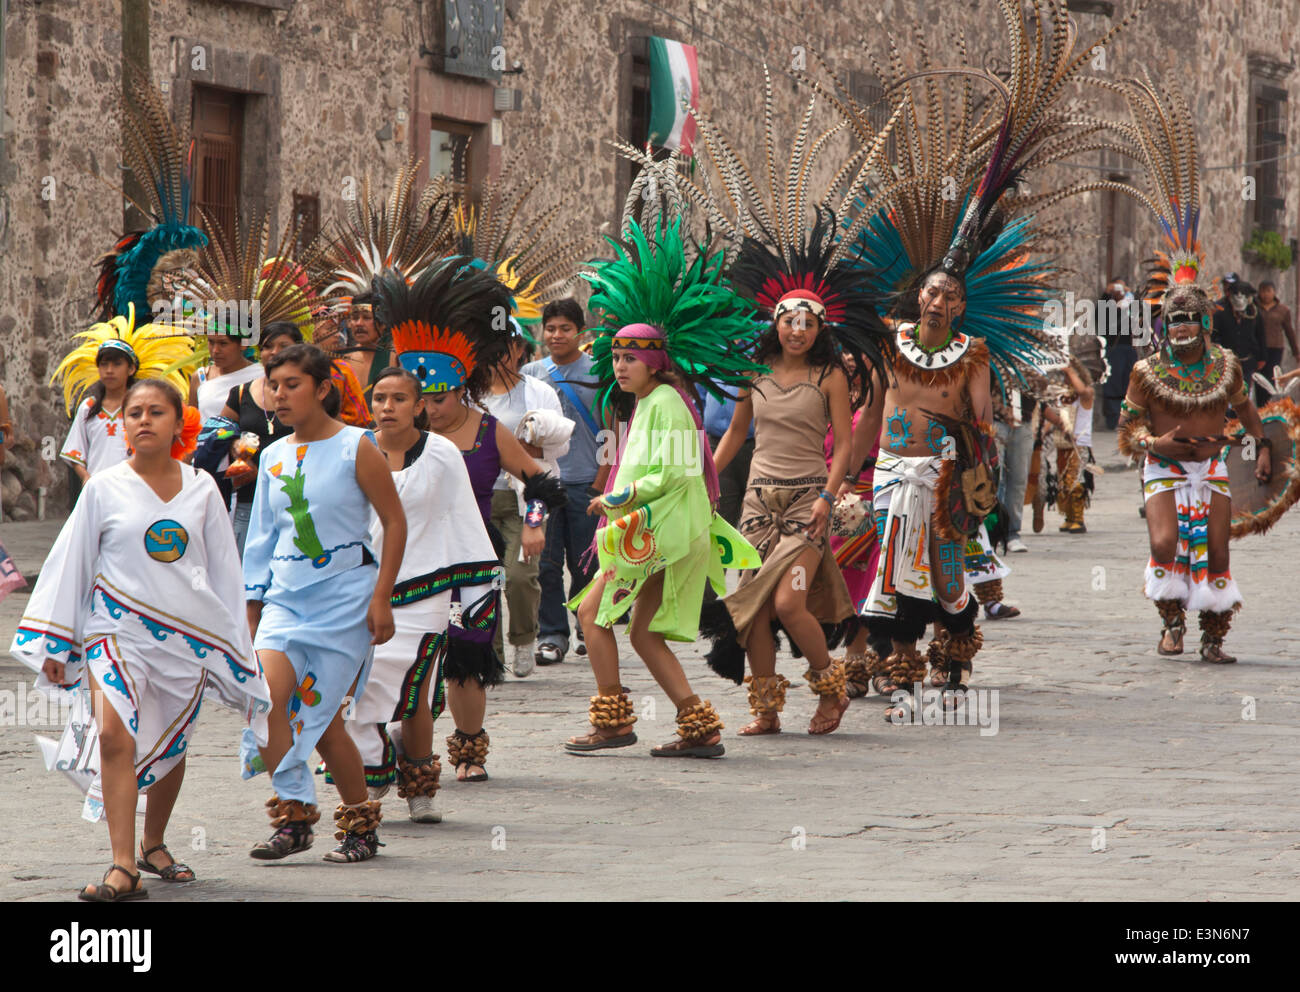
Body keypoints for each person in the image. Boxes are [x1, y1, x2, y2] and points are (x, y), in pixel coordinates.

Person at [11, 378, 271, 900]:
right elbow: (71, 564)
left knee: (173, 740)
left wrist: (238, 645)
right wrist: (57, 642)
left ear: (180, 422)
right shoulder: (104, 487)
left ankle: (154, 842)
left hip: (185, 640)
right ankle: (122, 865)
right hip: (115, 631)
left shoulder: (202, 489)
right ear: (123, 424)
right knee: (113, 736)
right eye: (134, 413)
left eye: (156, 412)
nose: (144, 420)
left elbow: (223, 570)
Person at [562, 218, 761, 757]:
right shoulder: (650, 402)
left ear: (653, 362)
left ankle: (613, 723)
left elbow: (674, 473)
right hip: (654, 532)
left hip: (658, 532)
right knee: (643, 633)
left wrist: (617, 499)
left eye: (630, 358)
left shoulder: (668, 403)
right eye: (617, 358)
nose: (621, 366)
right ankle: (700, 730)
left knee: (591, 615)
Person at [379, 255, 563, 783]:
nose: (429, 410)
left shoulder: (487, 431)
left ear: (460, 386)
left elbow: (539, 480)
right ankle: (403, 747)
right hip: (403, 563)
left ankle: (468, 750)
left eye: (437, 398)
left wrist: (533, 521)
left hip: (468, 563)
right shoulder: (382, 441)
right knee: (403, 658)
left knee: (464, 654)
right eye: (421, 400)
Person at [1114, 80, 1272, 665]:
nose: (1181, 327)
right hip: (1163, 466)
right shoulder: (1145, 372)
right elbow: (1129, 432)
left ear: (1205, 323)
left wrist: (1259, 448)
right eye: (1172, 319)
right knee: (1164, 541)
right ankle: (1170, 624)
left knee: (1217, 553)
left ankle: (1211, 638)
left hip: (1213, 466)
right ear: (1163, 324)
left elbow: (1249, 415)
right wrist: (1156, 441)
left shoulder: (1227, 366)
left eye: (1190, 318)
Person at [239, 343, 406, 863]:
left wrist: (382, 598)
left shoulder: (359, 445)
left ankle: (359, 825)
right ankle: (295, 815)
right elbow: (260, 540)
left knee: (323, 719)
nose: (280, 395)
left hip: (345, 601)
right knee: (267, 703)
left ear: (323, 388)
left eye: (293, 384)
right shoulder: (271, 455)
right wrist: (251, 608)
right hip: (285, 600)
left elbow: (394, 522)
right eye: (274, 385)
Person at [709, 249, 880, 737]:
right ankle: (766, 708)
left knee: (788, 602)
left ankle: (833, 689)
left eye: (807, 323)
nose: (797, 330)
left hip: (809, 503)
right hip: (758, 506)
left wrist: (828, 498)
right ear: (776, 324)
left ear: (819, 329)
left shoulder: (830, 377)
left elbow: (845, 445)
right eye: (790, 321)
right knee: (752, 610)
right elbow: (736, 433)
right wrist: (709, 479)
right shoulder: (753, 371)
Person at [345, 362, 503, 822]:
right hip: (362, 586)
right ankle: (368, 778)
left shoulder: (441, 453)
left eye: (398, 399)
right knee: (363, 684)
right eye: (379, 398)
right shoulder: (352, 450)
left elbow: (461, 518)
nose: (387, 407)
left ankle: (419, 788)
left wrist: (473, 587)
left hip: (426, 586)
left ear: (419, 406)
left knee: (417, 685)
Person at [521, 299, 611, 666]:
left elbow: (611, 427)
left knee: (585, 561)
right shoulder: (529, 374)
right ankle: (551, 634)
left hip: (586, 480)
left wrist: (603, 480)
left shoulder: (599, 371)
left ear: (581, 332)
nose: (557, 335)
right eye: (551, 328)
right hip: (542, 483)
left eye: (565, 328)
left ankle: (587, 626)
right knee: (544, 562)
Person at [482, 322, 570, 677]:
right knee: (484, 580)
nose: (498, 354)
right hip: (480, 502)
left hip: (527, 498)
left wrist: (536, 445)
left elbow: (558, 448)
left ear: (519, 348)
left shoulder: (539, 393)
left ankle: (522, 640)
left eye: (506, 346)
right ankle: (489, 654)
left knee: (519, 577)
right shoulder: (467, 394)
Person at [52, 307, 196, 484]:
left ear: (131, 369)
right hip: (98, 489)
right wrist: (86, 478)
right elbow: (76, 451)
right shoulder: (88, 407)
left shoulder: (143, 410)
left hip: (137, 486)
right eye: (104, 365)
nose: (109, 371)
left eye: (117, 364)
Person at [211, 322, 301, 554]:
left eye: (283, 345)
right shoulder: (241, 392)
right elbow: (219, 432)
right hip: (249, 502)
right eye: (267, 346)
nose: (274, 352)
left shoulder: (310, 393)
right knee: (247, 580)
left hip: (297, 501)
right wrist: (237, 450)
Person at [1045, 357, 1095, 534]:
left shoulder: (1087, 393)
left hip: (1079, 443)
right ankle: (1069, 517)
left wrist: (1070, 370)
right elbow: (1054, 415)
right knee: (1063, 482)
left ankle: (1079, 519)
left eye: (1068, 377)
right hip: (1062, 443)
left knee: (1076, 480)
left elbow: (1081, 390)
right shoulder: (1061, 396)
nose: (1065, 380)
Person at [1212, 273, 1264, 392]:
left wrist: (1262, 357)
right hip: (1226, 360)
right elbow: (1214, 335)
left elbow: (1260, 335)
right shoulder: (1220, 311)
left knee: (1243, 391)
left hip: (1247, 360)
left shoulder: (1253, 312)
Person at [1257, 281, 1298, 400]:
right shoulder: (1255, 308)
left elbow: (1289, 331)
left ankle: (1272, 402)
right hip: (1259, 348)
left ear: (1274, 292)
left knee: (1272, 376)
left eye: (1268, 291)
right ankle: (1261, 404)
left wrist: (1296, 351)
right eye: (1263, 291)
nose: (1265, 294)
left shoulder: (1283, 310)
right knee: (1259, 378)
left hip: (1275, 347)